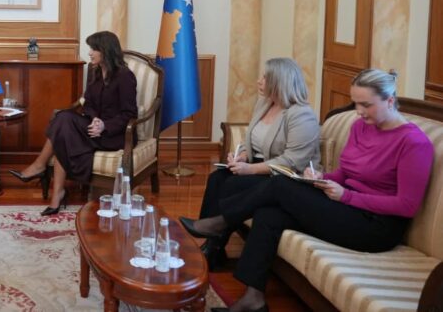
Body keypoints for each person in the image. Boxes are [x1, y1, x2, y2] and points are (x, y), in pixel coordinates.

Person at [183, 69, 433, 312]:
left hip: (376, 226)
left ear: (390, 101)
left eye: (366, 105)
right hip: (346, 205)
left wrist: (347, 195)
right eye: (355, 103)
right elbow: (346, 173)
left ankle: (220, 222)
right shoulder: (361, 126)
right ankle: (253, 299)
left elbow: (406, 206)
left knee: (280, 185)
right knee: (269, 215)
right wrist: (321, 178)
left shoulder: (414, 143)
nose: (359, 111)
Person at [181, 58, 320, 269]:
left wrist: (250, 169)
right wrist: (242, 156)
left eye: (265, 77)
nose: (259, 81)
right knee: (217, 178)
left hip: (285, 177)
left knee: (232, 184)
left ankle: (214, 244)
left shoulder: (301, 115)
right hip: (259, 166)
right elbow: (254, 143)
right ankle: (213, 245)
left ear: (279, 82)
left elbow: (292, 161)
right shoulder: (264, 104)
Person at [8, 31, 137, 215]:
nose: (90, 53)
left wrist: (104, 126)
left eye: (93, 49)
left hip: (114, 135)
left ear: (105, 50)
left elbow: (129, 114)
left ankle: (42, 171)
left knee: (64, 124)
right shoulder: (96, 72)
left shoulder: (125, 77)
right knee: (63, 119)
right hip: (93, 127)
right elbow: (89, 104)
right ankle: (55, 191)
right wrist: (95, 119)